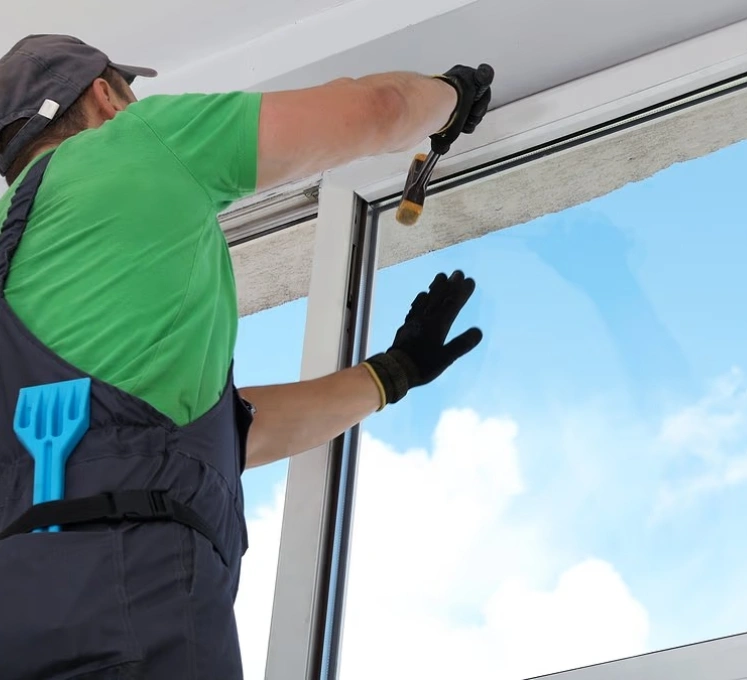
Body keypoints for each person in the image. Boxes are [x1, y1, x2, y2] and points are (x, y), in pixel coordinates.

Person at [0, 34, 490, 679]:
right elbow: (381, 108)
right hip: (126, 595)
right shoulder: (136, 142)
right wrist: (452, 101)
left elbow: (218, 438)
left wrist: (388, 375)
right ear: (104, 97)